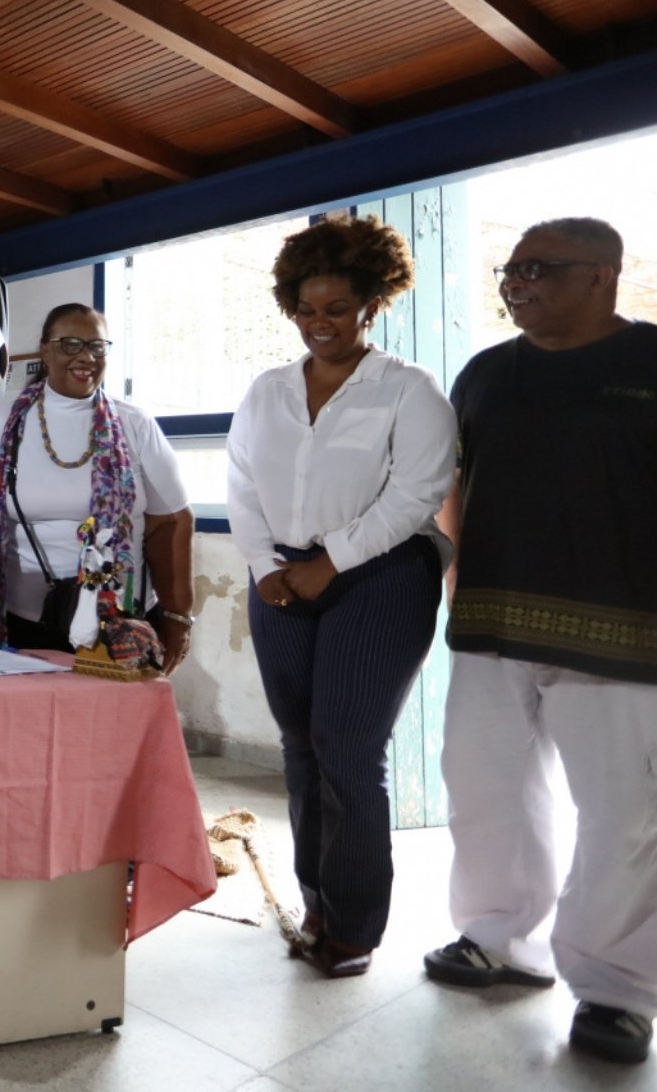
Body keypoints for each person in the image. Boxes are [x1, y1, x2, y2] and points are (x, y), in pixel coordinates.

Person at [423, 217, 655, 1065]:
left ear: (602, 275)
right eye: (508, 271)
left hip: (627, 631)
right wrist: (456, 576)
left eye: (537, 269)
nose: (516, 284)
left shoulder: (650, 362)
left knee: (625, 819)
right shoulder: (486, 372)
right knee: (486, 789)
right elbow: (454, 481)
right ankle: (499, 943)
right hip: (491, 621)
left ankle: (617, 992)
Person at [225, 217, 454, 980]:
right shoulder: (266, 392)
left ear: (371, 306)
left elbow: (420, 491)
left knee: (349, 752)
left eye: (337, 309)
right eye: (306, 309)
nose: (320, 324)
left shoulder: (408, 390)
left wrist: (334, 561)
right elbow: (243, 484)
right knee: (299, 751)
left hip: (381, 578)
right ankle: (314, 898)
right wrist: (263, 563)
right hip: (280, 577)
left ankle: (354, 925)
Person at [0, 303, 194, 669]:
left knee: (110, 725)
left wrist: (178, 616)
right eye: (70, 344)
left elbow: (172, 520)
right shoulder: (4, 422)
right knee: (28, 723)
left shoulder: (135, 425)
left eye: (97, 347)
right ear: (45, 351)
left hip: (120, 622)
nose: (86, 357)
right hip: (24, 620)